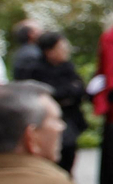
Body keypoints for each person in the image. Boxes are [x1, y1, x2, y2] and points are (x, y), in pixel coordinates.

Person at [19, 33, 87, 172]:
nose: (65, 51)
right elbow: (51, 93)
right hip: (48, 119)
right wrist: (66, 92)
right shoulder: (35, 70)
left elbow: (79, 89)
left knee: (69, 153)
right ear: (49, 51)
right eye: (61, 47)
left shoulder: (67, 67)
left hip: (70, 117)